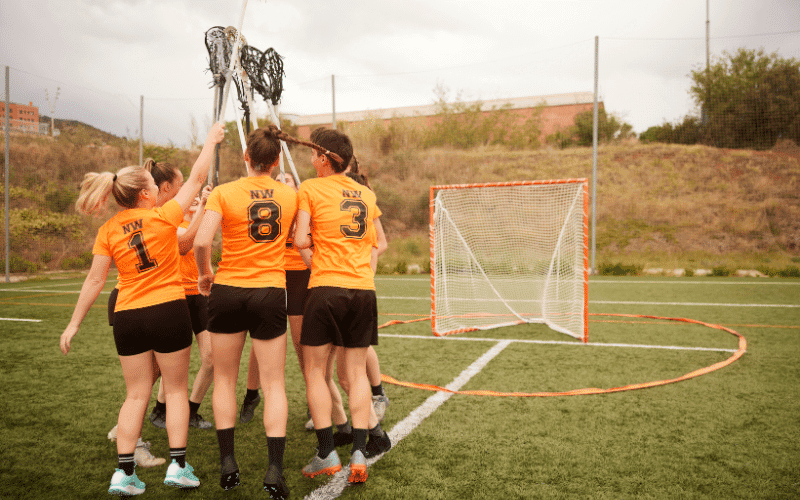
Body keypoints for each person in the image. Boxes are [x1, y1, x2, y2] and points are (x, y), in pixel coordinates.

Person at [60, 122, 225, 496]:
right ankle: (178, 466)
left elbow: (94, 281)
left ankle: (124, 473)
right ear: (146, 194)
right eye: (152, 186)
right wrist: (211, 141)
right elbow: (198, 177)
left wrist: (73, 324)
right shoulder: (164, 215)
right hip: (168, 310)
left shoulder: (108, 230)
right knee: (177, 390)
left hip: (128, 317)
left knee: (136, 394)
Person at [193, 127, 297, 498]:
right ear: (278, 161)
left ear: (246, 158)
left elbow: (202, 240)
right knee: (273, 385)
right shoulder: (291, 195)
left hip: (229, 288)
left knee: (224, 379)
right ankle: (273, 469)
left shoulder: (224, 192)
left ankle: (227, 462)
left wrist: (205, 273)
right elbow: (300, 239)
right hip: (270, 289)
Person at [292, 127, 383, 484]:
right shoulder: (365, 193)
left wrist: (315, 248)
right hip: (362, 290)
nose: (311, 160)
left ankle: (327, 451)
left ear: (326, 159)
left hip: (326, 287)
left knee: (316, 372)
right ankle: (360, 452)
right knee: (356, 373)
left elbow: (300, 238)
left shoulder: (310, 188)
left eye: (314, 155)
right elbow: (374, 245)